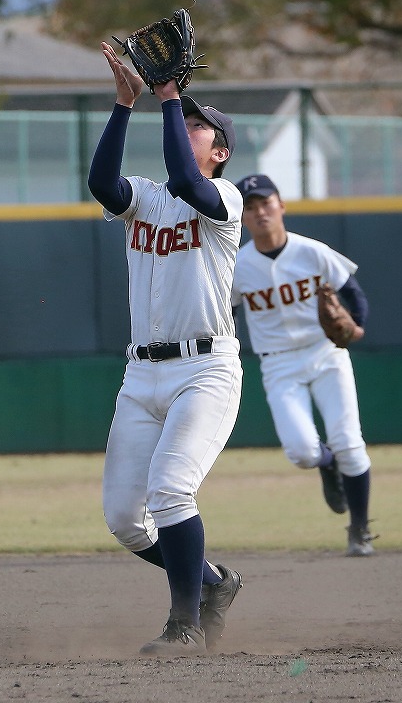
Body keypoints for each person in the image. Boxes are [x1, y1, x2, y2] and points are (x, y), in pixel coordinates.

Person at [88, 41, 245, 656]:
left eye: (197, 124)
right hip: (142, 376)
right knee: (126, 520)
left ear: (221, 151)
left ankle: (182, 625)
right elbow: (102, 182)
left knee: (172, 490)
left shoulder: (224, 203)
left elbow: (187, 178)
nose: (186, 125)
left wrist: (170, 95)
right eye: (186, 119)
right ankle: (213, 582)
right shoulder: (147, 199)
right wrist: (125, 105)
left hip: (206, 370)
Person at [231, 174, 376, 557]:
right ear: (243, 216)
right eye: (251, 206)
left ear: (281, 206)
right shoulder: (237, 266)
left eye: (266, 203)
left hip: (326, 353)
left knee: (350, 441)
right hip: (277, 363)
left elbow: (351, 291)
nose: (260, 211)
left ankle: (359, 529)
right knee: (302, 453)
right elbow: (222, 313)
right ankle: (326, 465)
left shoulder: (311, 251)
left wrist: (357, 326)